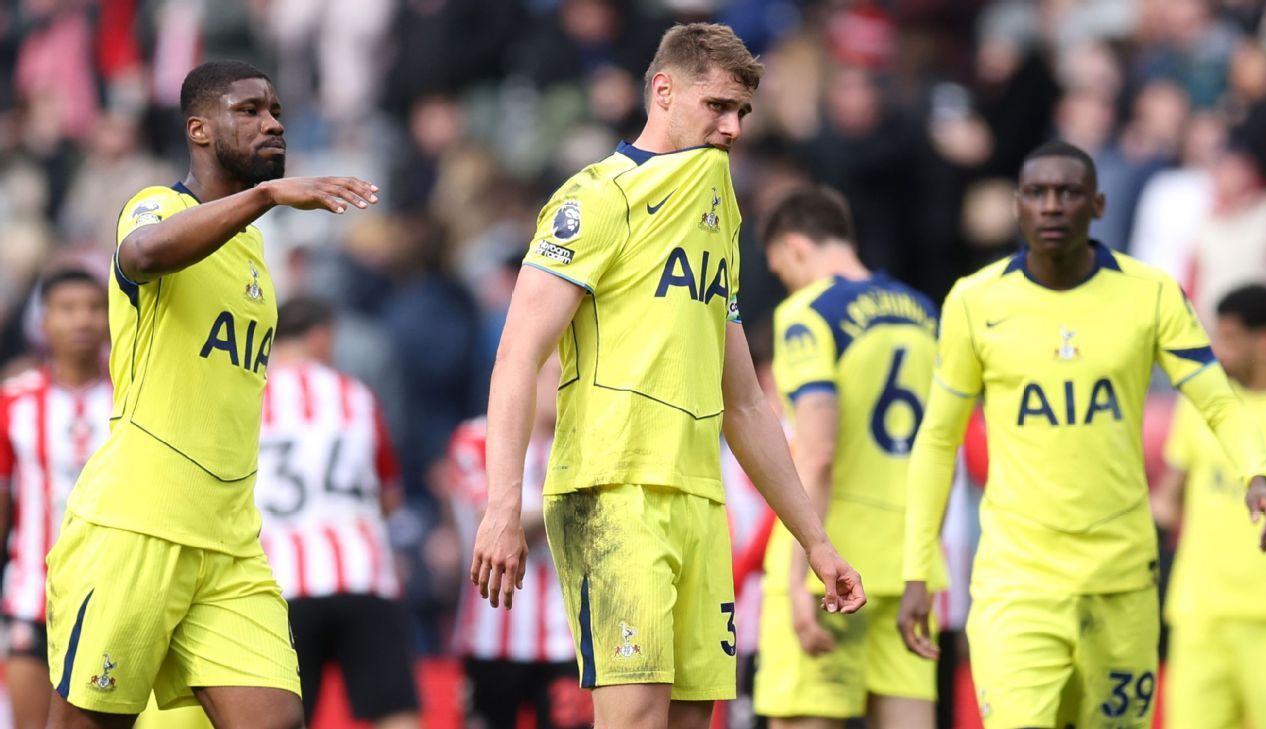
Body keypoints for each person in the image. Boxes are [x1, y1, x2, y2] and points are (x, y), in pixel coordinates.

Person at [470, 22, 865, 729]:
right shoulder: (597, 198)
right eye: (717, 105)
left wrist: (815, 539)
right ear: (663, 91)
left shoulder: (718, 211)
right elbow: (516, 356)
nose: (733, 127)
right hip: (612, 491)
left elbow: (744, 402)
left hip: (700, 500)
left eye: (742, 111)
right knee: (636, 720)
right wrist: (503, 506)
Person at [897, 139, 1266, 729]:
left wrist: (1254, 472)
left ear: (1098, 204)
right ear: (1018, 205)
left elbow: (1218, 400)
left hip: (1121, 581)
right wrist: (917, 570)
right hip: (1018, 584)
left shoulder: (1150, 292)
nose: (1052, 205)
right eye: (1037, 193)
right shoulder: (975, 302)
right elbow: (936, 441)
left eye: (1069, 192)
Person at [42, 60, 379, 729]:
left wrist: (261, 206)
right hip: (141, 522)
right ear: (198, 129)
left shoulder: (252, 253)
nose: (272, 123)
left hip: (229, 539)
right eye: (249, 110)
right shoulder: (158, 205)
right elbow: (143, 254)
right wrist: (268, 195)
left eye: (275, 110)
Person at [753, 185, 945, 729]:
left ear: (794, 248)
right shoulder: (924, 313)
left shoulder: (808, 313)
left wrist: (798, 577)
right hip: (909, 566)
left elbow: (817, 452)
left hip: (834, 568)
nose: (787, 283)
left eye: (782, 271)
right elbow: (943, 446)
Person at [254, 297, 420, 729]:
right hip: (360, 571)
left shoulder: (248, 397)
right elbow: (389, 496)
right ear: (320, 336)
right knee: (394, 712)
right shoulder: (355, 395)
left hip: (278, 580)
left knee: (282, 718)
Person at [1152, 284, 1266, 729]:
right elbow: (1168, 499)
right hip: (1200, 615)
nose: (1218, 349)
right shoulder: (1205, 404)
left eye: (1230, 338)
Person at [448, 354, 593, 729]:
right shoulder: (476, 438)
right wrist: (575, 499)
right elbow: (491, 522)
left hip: (566, 638)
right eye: (560, 374)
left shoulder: (587, 442)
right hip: (490, 636)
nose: (570, 385)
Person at [0, 269, 112, 729]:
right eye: (67, 309)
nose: (82, 320)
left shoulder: (134, 397)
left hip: (115, 594)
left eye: (94, 307)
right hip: (32, 597)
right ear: (43, 322)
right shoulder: (14, 402)